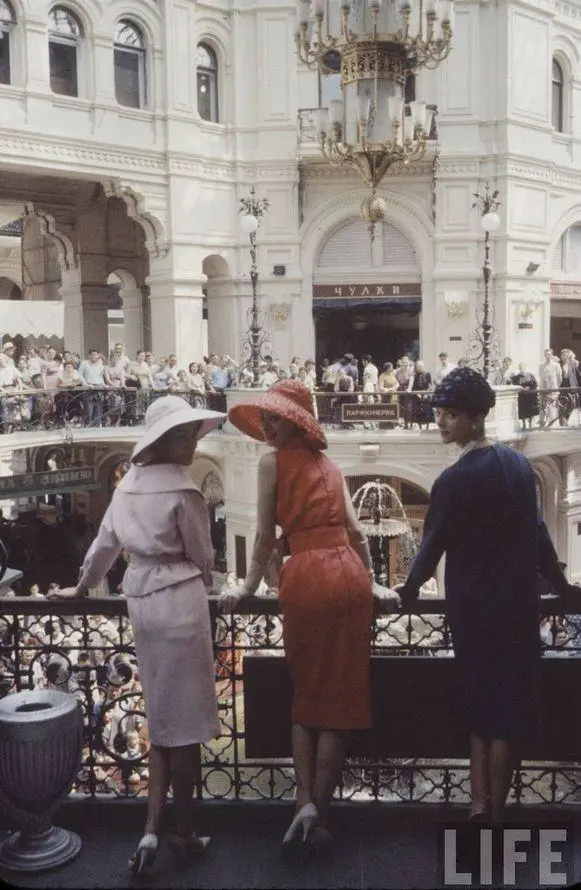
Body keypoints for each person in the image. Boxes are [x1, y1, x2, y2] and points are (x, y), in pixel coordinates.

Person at [48, 395, 226, 875]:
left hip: (141, 606)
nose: (192, 442)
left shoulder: (126, 487)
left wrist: (82, 588)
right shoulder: (185, 492)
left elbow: (103, 548)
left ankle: (149, 832)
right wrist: (203, 579)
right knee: (183, 732)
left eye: (193, 433)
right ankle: (183, 834)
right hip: (182, 607)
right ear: (165, 440)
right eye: (185, 434)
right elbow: (204, 558)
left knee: (163, 722)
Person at [220, 380, 397, 855]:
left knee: (307, 692)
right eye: (266, 418)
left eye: (274, 417)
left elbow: (262, 538)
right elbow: (357, 534)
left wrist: (249, 587)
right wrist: (374, 582)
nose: (266, 425)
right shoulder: (332, 466)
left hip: (308, 578)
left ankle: (303, 803)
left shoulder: (270, 463)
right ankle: (318, 809)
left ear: (295, 420)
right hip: (349, 578)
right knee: (339, 698)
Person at [397, 368, 580, 823]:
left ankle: (479, 805)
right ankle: (496, 809)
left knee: (480, 706)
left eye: (451, 415)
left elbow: (431, 544)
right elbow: (539, 537)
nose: (441, 422)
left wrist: (409, 591)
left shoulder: (452, 480)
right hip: (518, 607)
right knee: (509, 708)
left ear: (476, 418)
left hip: (472, 611)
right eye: (439, 413)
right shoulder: (518, 468)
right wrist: (563, 588)